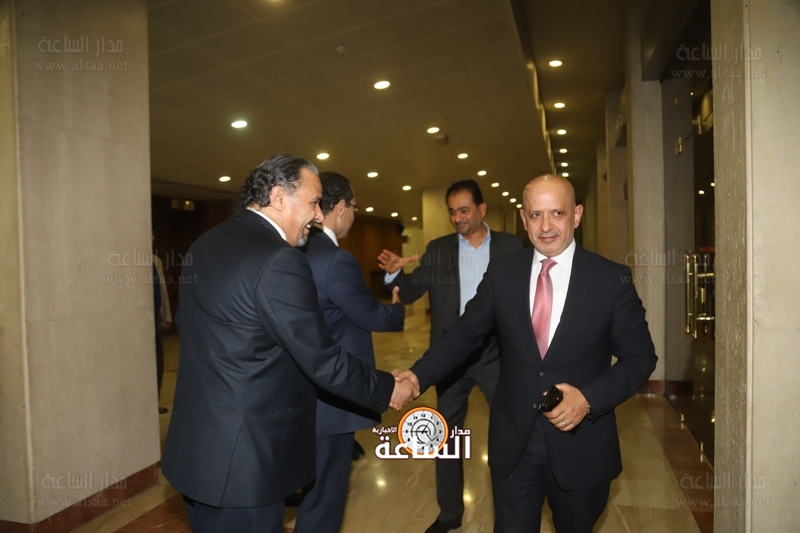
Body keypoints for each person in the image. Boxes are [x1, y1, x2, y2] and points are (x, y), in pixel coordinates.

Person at [161, 154, 418, 533]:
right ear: (278, 198)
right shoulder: (280, 258)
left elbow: (194, 324)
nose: (318, 215)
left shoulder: (206, 242)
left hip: (199, 449)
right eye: (313, 202)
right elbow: (322, 360)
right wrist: (388, 388)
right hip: (245, 462)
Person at [396, 174, 658, 532]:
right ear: (523, 218)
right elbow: (462, 334)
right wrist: (417, 376)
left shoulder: (611, 280)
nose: (546, 226)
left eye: (557, 213)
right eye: (536, 215)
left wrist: (588, 398)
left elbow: (640, 358)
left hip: (580, 444)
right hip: (514, 444)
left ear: (577, 215)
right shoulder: (503, 274)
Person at [378, 180, 523, 533]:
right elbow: (410, 292)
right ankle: (449, 514)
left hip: (495, 353)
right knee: (445, 436)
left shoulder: (511, 246)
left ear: (482, 209)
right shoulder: (439, 249)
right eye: (452, 212)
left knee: (511, 430)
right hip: (450, 356)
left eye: (464, 210)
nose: (458, 218)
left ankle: (514, 511)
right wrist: (395, 272)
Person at [295, 171, 406, 533]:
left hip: (299, 392)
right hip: (332, 399)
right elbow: (369, 314)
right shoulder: (335, 260)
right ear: (340, 207)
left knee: (311, 489)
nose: (354, 215)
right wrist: (398, 308)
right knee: (325, 497)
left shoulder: (294, 250)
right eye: (355, 207)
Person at [152, 233, 172, 414]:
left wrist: (167, 314)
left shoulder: (156, 261)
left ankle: (155, 400)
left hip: (156, 315)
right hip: (145, 317)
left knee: (159, 360)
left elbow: (162, 289)